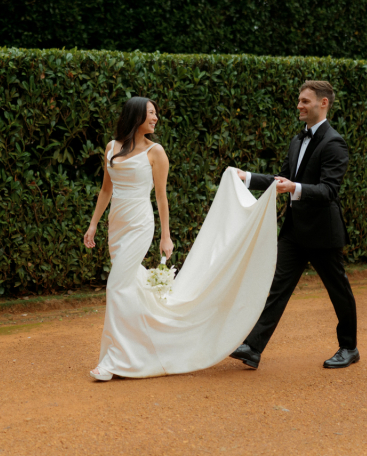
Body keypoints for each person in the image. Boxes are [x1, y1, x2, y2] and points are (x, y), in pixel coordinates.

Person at [83, 97, 279, 381]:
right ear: (135, 116)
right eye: (151, 113)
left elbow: (161, 198)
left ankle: (113, 360)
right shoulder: (111, 148)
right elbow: (105, 190)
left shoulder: (156, 151)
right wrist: (93, 226)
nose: (156, 118)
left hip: (140, 224)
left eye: (156, 114)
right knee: (129, 288)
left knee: (116, 286)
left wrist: (166, 236)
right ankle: (146, 346)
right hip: (117, 225)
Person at [230, 80, 359, 370]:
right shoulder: (296, 140)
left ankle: (349, 347)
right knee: (278, 288)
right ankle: (253, 347)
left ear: (323, 103)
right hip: (294, 233)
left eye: (305, 101)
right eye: (299, 101)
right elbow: (282, 180)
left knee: (338, 291)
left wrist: (295, 188)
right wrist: (247, 177)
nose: (299, 105)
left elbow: (328, 191)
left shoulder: (334, 142)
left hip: (323, 234)